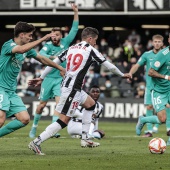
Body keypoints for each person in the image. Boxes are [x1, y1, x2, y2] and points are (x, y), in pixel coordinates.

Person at [28, 27, 131, 155]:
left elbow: (53, 62)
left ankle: (85, 138)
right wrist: (122, 74)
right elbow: (108, 65)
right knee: (63, 121)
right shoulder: (90, 49)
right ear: (90, 38)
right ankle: (36, 142)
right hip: (71, 89)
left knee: (90, 105)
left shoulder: (71, 48)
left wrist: (42, 77)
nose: (95, 43)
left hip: (73, 88)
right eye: (95, 40)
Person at [0, 21, 65, 138]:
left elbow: (43, 59)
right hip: (0, 88)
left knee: (24, 119)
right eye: (30, 35)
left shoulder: (27, 50)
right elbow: (20, 50)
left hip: (10, 91)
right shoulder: (8, 45)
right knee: (1, 118)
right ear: (22, 35)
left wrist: (59, 67)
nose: (31, 38)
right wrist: (43, 38)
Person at [29, 3, 79, 139]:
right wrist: (55, 57)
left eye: (56, 35)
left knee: (59, 104)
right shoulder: (47, 45)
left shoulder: (66, 42)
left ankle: (53, 130)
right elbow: (42, 56)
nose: (54, 37)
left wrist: (75, 12)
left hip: (60, 78)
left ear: (61, 35)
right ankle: (34, 127)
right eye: (52, 35)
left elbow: (74, 29)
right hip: (48, 78)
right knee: (41, 105)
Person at [135, 39, 170, 145]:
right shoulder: (163, 54)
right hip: (159, 90)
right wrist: (166, 77)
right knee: (162, 118)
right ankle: (143, 120)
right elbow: (151, 72)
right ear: (169, 40)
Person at [129, 34, 164, 137]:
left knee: (164, 108)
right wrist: (131, 73)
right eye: (155, 42)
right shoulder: (147, 55)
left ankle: (161, 127)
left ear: (162, 43)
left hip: (163, 86)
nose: (157, 43)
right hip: (150, 86)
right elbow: (137, 65)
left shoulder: (166, 54)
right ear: (152, 43)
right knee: (149, 107)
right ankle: (149, 131)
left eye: (159, 42)